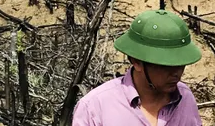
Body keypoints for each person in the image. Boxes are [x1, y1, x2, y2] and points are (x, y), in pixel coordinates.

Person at [72, 9, 203, 126]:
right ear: (137, 62)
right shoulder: (95, 108)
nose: (177, 73)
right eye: (166, 66)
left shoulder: (185, 98)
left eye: (181, 65)